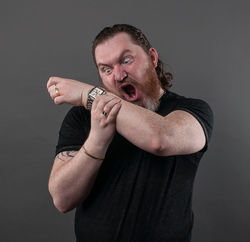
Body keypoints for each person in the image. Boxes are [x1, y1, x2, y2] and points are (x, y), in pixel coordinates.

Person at [47, 24, 213, 242]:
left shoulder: (191, 110)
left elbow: (162, 138)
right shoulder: (81, 118)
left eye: (126, 60)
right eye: (106, 69)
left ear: (152, 57)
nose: (118, 75)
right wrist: (97, 141)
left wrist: (89, 94)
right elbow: (62, 199)